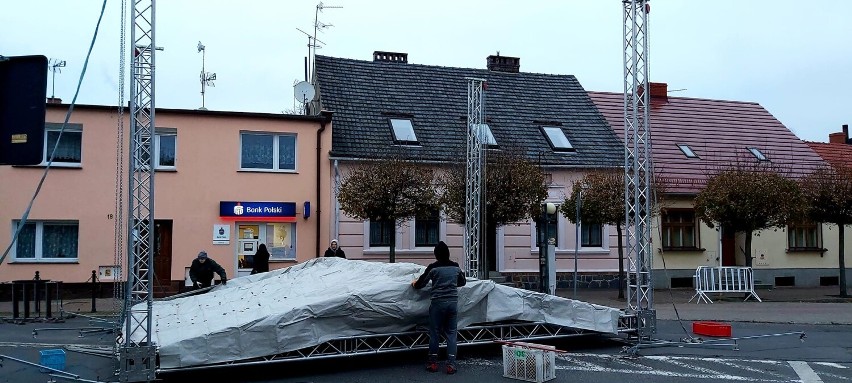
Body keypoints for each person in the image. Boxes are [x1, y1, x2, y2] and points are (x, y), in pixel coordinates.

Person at [411, 241, 466, 375]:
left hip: (438, 304)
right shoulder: (456, 267)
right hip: (452, 303)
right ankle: (451, 364)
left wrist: (414, 283)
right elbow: (462, 282)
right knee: (452, 333)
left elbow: (421, 284)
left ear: (436, 254)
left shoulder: (433, 267)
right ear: (448, 253)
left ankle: (433, 362)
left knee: (435, 332)